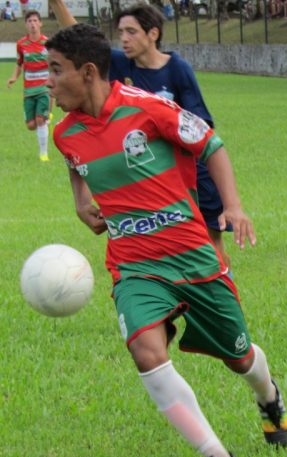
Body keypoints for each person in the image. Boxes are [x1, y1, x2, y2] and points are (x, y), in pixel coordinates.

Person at [46, 23, 287, 457]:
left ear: (88, 71)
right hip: (133, 265)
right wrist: (80, 200)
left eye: (56, 70)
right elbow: (77, 161)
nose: (47, 81)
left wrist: (233, 206)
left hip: (192, 256)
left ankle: (269, 396)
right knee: (146, 351)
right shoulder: (65, 133)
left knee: (238, 356)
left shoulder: (148, 108)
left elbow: (211, 145)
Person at [48, 0, 235, 270]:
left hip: (193, 174)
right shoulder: (122, 66)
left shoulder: (177, 69)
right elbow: (77, 44)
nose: (123, 38)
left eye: (131, 31)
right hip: (148, 181)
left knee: (209, 247)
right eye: (120, 32)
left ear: (153, 34)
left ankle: (217, 287)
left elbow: (201, 127)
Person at [6, 10, 52, 161]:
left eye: (35, 21)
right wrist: (13, 77)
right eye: (29, 21)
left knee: (40, 120)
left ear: (40, 23)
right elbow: (19, 64)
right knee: (31, 125)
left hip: (44, 87)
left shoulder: (48, 43)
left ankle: (43, 154)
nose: (32, 24)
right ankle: (45, 118)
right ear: (26, 25)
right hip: (29, 90)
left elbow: (54, 64)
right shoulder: (21, 44)